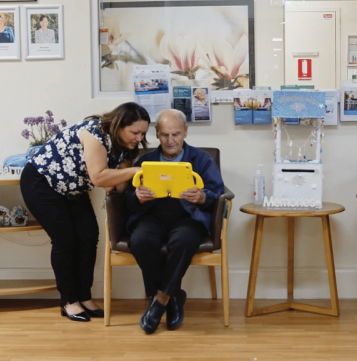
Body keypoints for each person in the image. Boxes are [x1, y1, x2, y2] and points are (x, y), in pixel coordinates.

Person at [20, 102, 150, 322]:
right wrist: (135, 171)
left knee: (89, 236)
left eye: (143, 133)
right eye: (134, 132)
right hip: (42, 181)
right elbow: (98, 177)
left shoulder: (127, 147)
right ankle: (69, 301)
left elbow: (118, 186)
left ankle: (84, 297)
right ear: (119, 125)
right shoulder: (95, 132)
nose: (139, 138)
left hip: (73, 188)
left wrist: (135, 181)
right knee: (65, 240)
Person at [125, 109, 224, 334]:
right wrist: (138, 197)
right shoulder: (145, 161)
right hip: (152, 216)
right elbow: (128, 199)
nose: (170, 140)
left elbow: (218, 193)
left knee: (184, 241)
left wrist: (203, 197)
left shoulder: (202, 159)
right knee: (140, 240)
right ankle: (174, 295)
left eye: (176, 134)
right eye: (165, 135)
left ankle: (160, 299)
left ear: (185, 132)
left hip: (188, 217)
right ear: (157, 134)